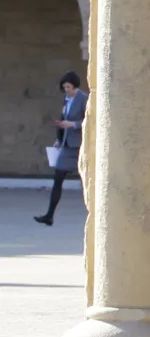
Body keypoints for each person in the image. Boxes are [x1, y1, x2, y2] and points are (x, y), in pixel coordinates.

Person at [35, 71, 86, 226]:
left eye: (68, 87)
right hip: (66, 144)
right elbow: (64, 118)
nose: (66, 90)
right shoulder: (67, 99)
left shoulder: (84, 99)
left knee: (85, 180)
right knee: (58, 179)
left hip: (78, 145)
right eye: (64, 87)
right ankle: (49, 215)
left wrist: (73, 125)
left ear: (75, 85)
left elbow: (89, 120)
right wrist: (59, 137)